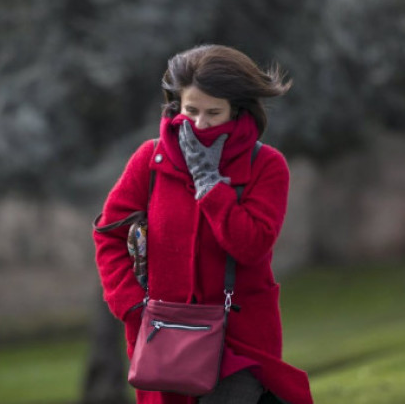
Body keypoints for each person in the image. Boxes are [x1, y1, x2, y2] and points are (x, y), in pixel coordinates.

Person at [93, 44, 313, 404]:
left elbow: (253, 244)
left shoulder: (267, 165)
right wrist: (133, 306)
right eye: (190, 110)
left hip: (238, 340)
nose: (199, 124)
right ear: (175, 104)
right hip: (163, 338)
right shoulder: (149, 159)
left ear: (238, 111)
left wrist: (210, 184)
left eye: (214, 113)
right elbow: (108, 236)